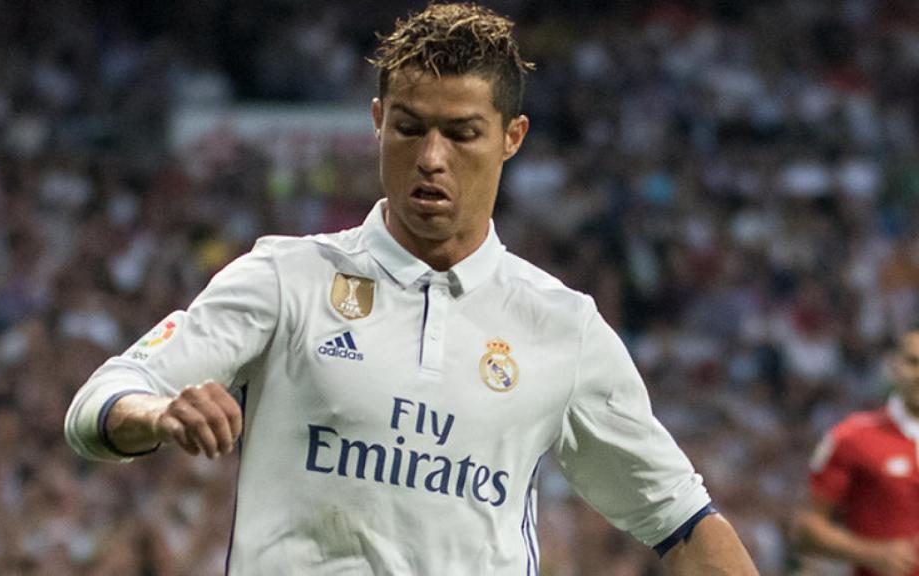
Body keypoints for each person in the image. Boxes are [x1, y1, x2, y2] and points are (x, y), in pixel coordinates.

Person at [65, 3, 759, 574]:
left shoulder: (562, 327)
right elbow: (99, 402)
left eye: (462, 134)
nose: (431, 157)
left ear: (512, 137)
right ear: (377, 120)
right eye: (409, 128)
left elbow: (684, 524)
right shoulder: (286, 278)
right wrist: (156, 413)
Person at [793, 328, 919, 576]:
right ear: (894, 365)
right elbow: (806, 529)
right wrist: (871, 553)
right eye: (913, 362)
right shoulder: (853, 437)